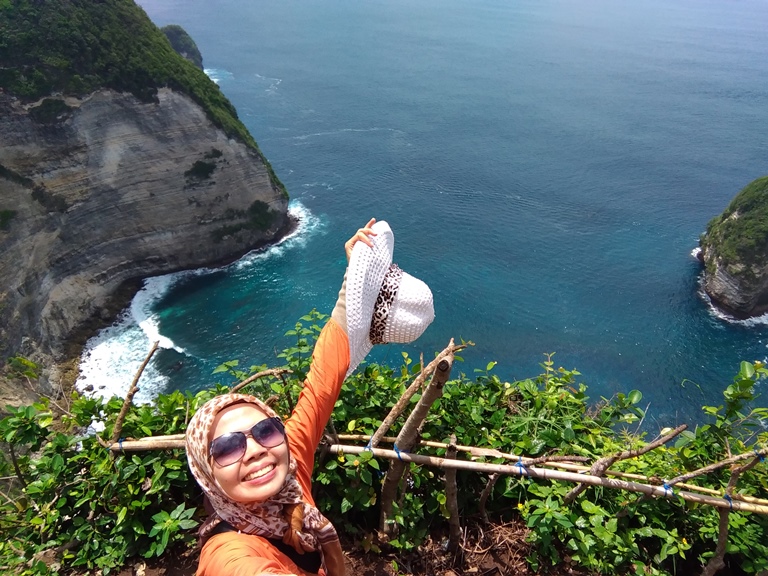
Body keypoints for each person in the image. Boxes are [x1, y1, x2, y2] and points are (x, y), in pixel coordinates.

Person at [185, 218, 435, 576]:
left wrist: (354, 282)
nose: (255, 448)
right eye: (227, 448)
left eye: (266, 431)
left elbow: (321, 384)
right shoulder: (229, 555)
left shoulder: (289, 471)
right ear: (205, 472)